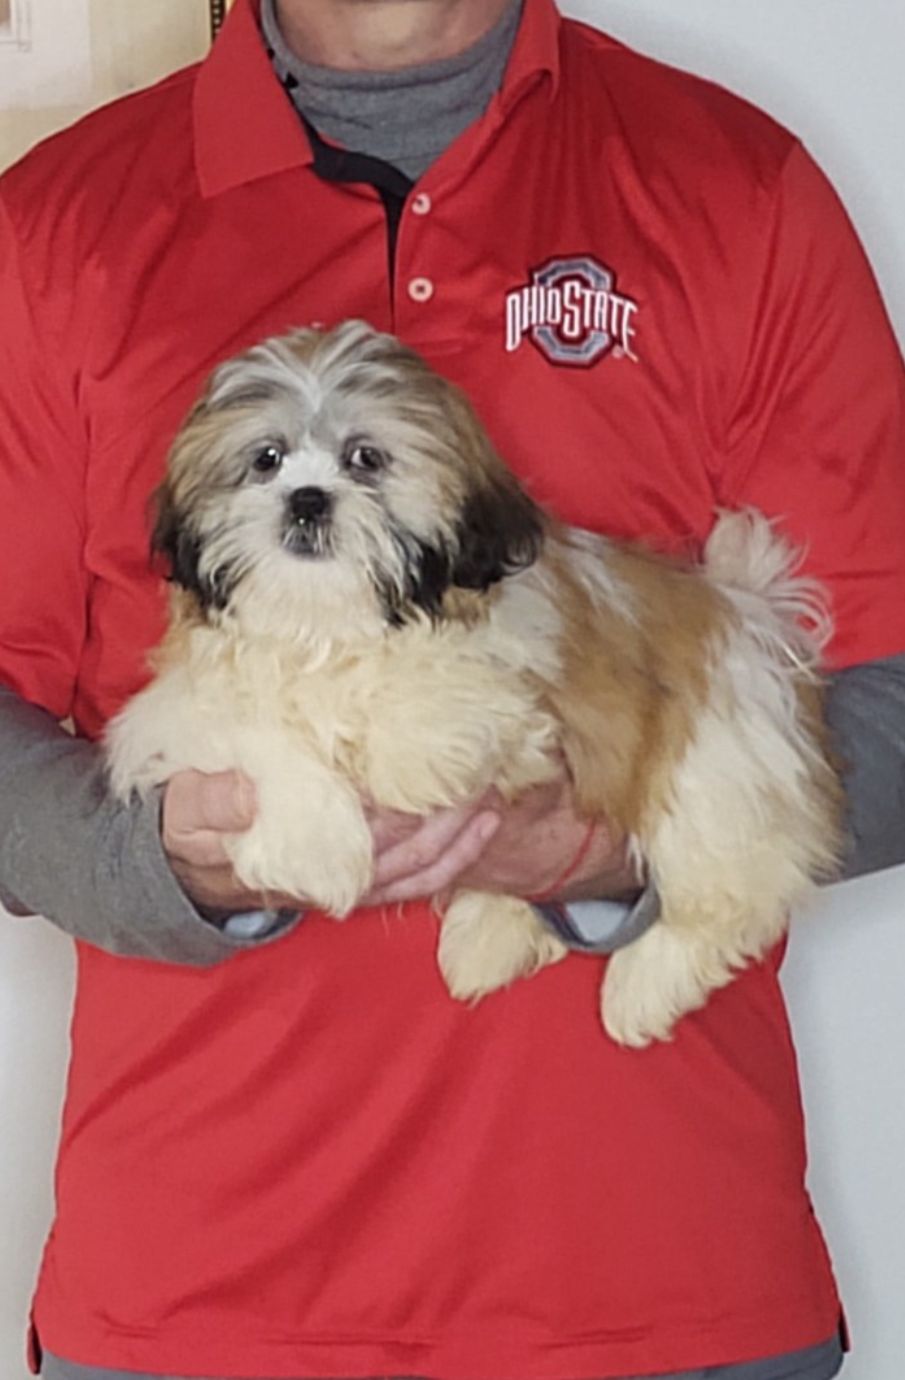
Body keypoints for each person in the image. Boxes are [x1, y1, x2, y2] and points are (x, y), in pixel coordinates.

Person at [0, 0, 903, 1377]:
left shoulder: (734, 183)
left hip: (656, 1288)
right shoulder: (52, 226)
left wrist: (622, 843)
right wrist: (161, 865)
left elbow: (893, 704)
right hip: (195, 1304)